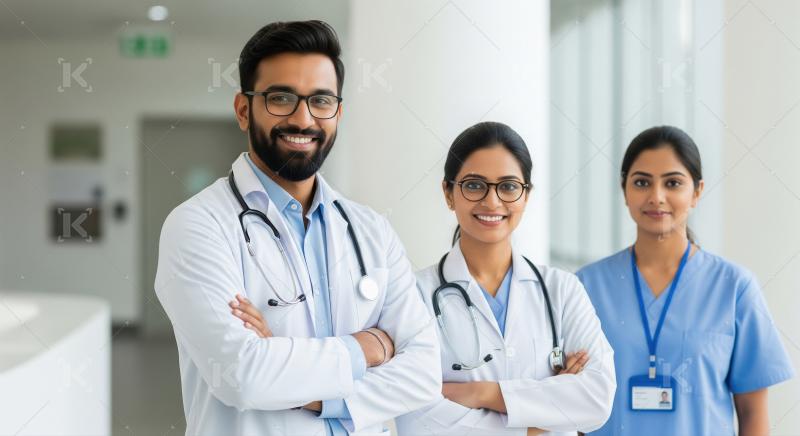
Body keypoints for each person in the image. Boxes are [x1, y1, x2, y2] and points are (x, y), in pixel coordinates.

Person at [155, 20, 440, 436]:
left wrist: (299, 380)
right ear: (242, 109)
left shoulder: (370, 230)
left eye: (320, 101)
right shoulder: (198, 226)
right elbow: (242, 375)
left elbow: (425, 372)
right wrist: (367, 348)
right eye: (281, 98)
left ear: (338, 112)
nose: (303, 119)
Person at [390, 122, 616, 435]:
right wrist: (538, 426)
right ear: (448, 193)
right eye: (474, 185)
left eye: (508, 186)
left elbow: (597, 397)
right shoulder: (414, 295)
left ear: (526, 195)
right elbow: (415, 415)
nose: (492, 202)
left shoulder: (561, 290)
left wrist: (485, 393)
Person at [577, 125, 794, 435]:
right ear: (624, 190)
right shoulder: (586, 286)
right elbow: (571, 405)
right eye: (641, 182)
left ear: (697, 192)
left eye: (673, 183)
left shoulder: (734, 288)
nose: (656, 197)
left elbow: (753, 415)